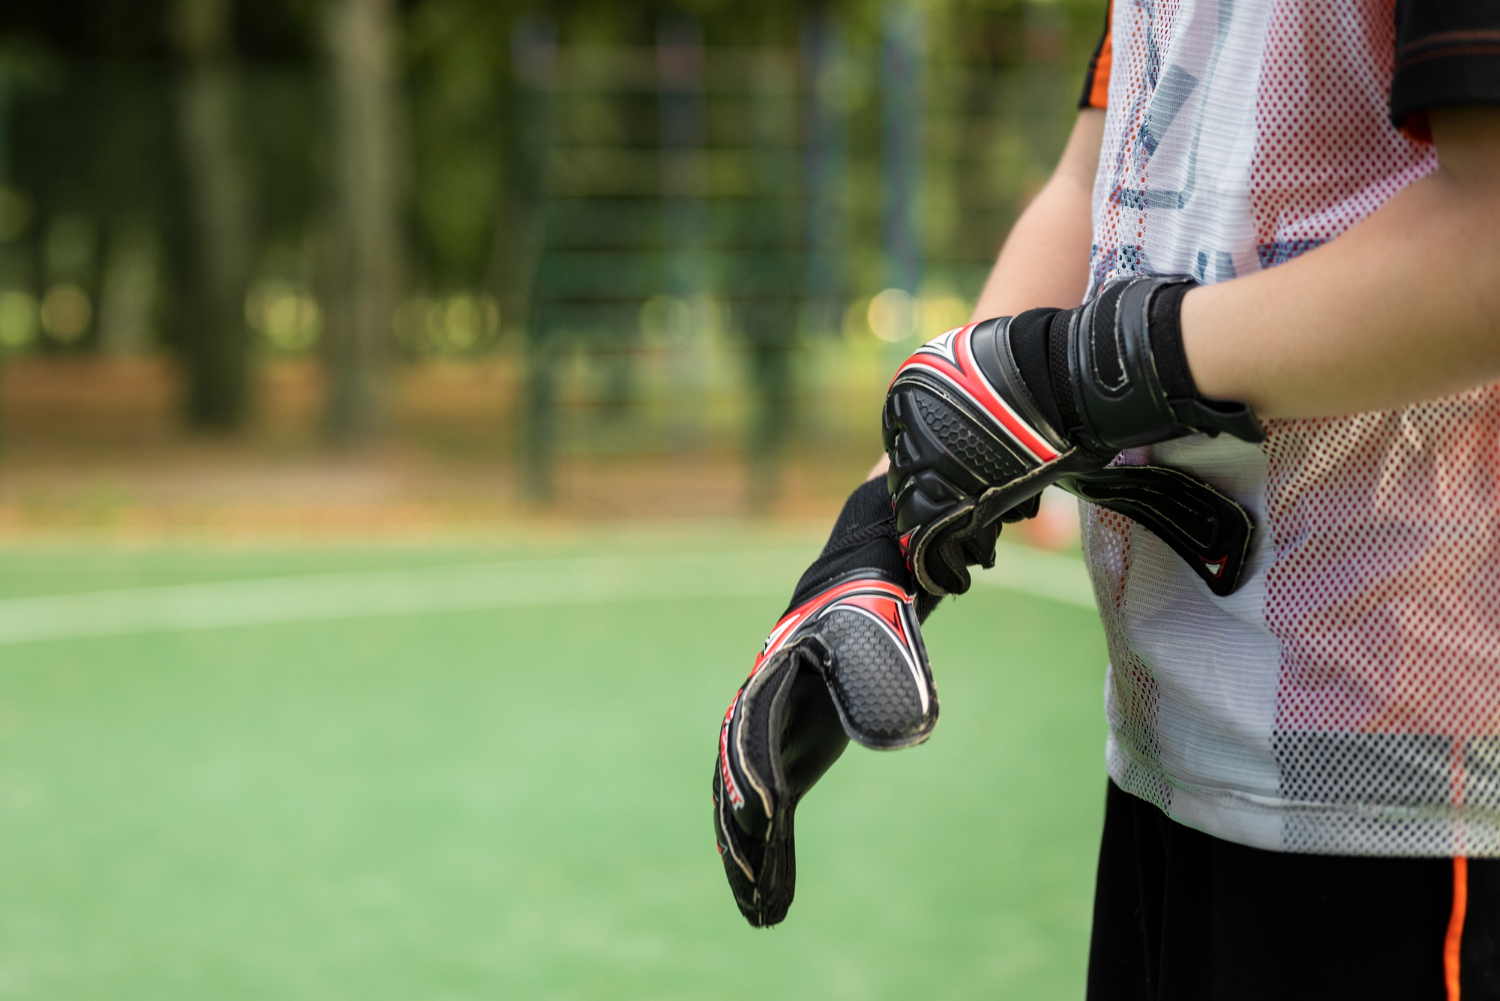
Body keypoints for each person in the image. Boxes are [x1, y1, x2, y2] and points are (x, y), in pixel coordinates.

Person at [714, 2, 1500, 997]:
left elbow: (1488, 238)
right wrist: (886, 527)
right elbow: (1100, 179)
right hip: (1172, 751)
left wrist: (1082, 376)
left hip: (1414, 789)